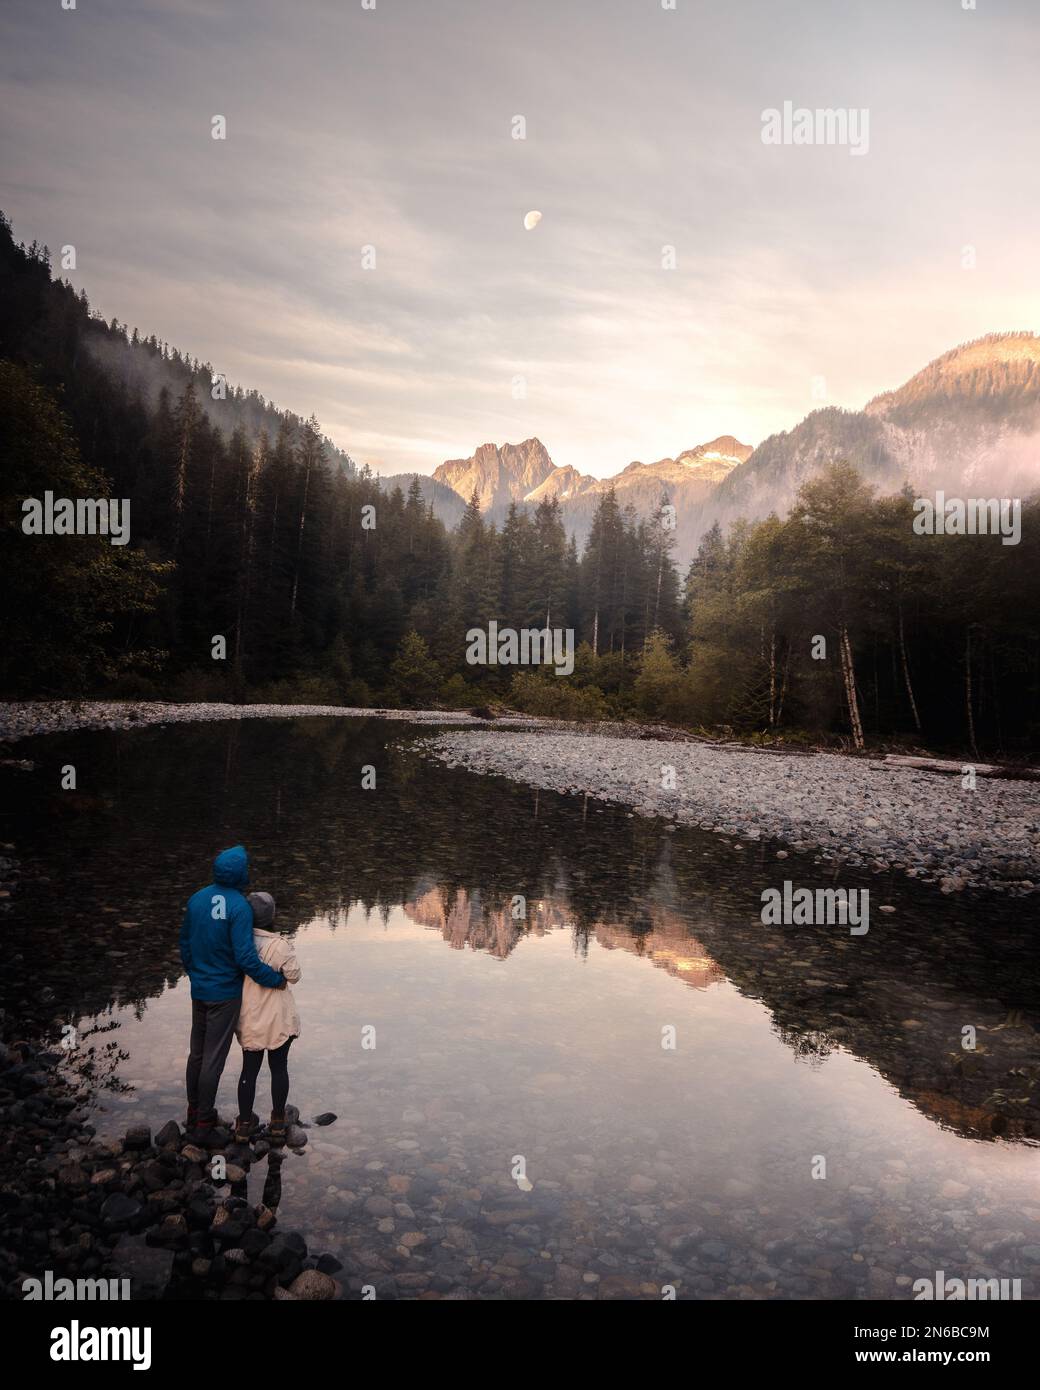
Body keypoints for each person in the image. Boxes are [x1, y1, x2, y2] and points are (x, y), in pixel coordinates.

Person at [179, 845, 286, 1138]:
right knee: (214, 1057)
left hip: (199, 989)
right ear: (240, 874)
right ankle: (203, 1121)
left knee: (197, 1055)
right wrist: (274, 979)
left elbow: (185, 944)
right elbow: (246, 958)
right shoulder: (239, 906)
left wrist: (194, 974)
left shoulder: (197, 898)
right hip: (224, 994)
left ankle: (192, 1111)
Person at [234, 891, 301, 1145]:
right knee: (279, 1068)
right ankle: (276, 1121)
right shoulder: (280, 945)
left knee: (248, 1071)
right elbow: (294, 975)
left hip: (250, 1016)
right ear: (273, 916)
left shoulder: (240, 944)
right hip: (277, 1019)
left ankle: (243, 1124)